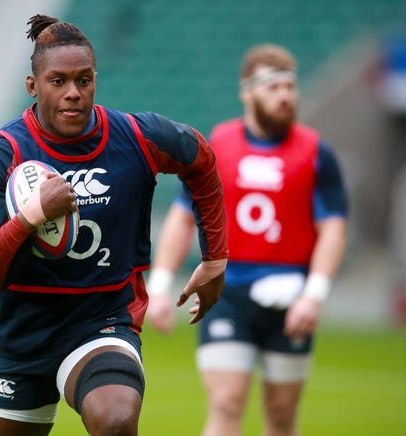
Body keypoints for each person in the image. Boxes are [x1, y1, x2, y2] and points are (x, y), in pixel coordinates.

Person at [0, 14, 228, 436]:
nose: (73, 93)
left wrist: (215, 259)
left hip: (102, 322)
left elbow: (201, 158)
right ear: (32, 86)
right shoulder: (2, 154)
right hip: (23, 337)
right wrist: (31, 216)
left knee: (116, 418)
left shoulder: (136, 137)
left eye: (84, 80)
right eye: (58, 82)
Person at [146, 44, 348, 436]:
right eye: (273, 87)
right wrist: (159, 287)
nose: (285, 96)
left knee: (281, 413)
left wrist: (314, 294)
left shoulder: (315, 152)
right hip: (226, 292)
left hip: (290, 296)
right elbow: (182, 217)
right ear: (247, 92)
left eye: (290, 86)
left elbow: (334, 229)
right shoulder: (217, 146)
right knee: (225, 402)